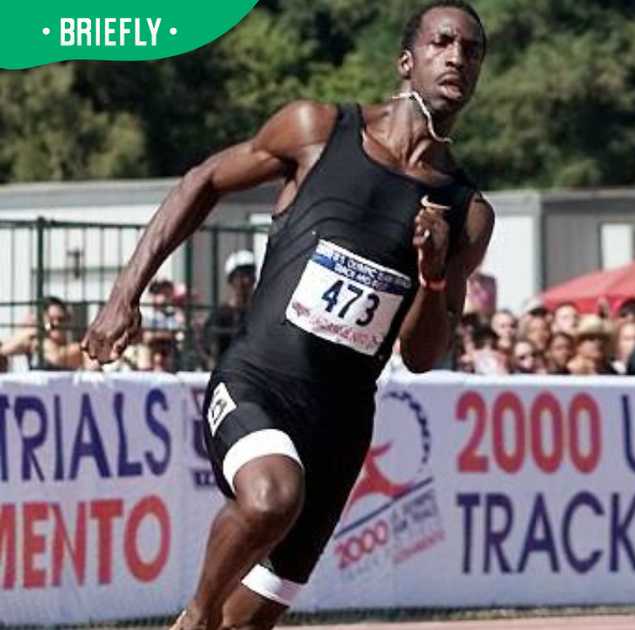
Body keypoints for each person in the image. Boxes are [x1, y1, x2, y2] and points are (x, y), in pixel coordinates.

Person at [81, 3, 493, 629]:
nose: (457, 57)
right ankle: (193, 618)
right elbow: (203, 181)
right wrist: (124, 295)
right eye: (442, 42)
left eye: (472, 50)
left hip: (340, 426)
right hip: (259, 382)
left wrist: (433, 275)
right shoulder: (319, 129)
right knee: (271, 498)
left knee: (249, 622)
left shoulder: (465, 212)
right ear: (407, 61)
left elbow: (418, 355)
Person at [201, 250, 257, 368]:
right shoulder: (219, 315)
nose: (246, 281)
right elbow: (209, 349)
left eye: (250, 275)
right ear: (231, 280)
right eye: (241, 276)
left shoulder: (260, 313)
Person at [1, 297, 84, 370]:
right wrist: (33, 331)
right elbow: (4, 349)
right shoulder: (33, 339)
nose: (56, 324)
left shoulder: (77, 346)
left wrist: (39, 338)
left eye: (61, 319)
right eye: (51, 319)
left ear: (68, 321)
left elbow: (57, 357)